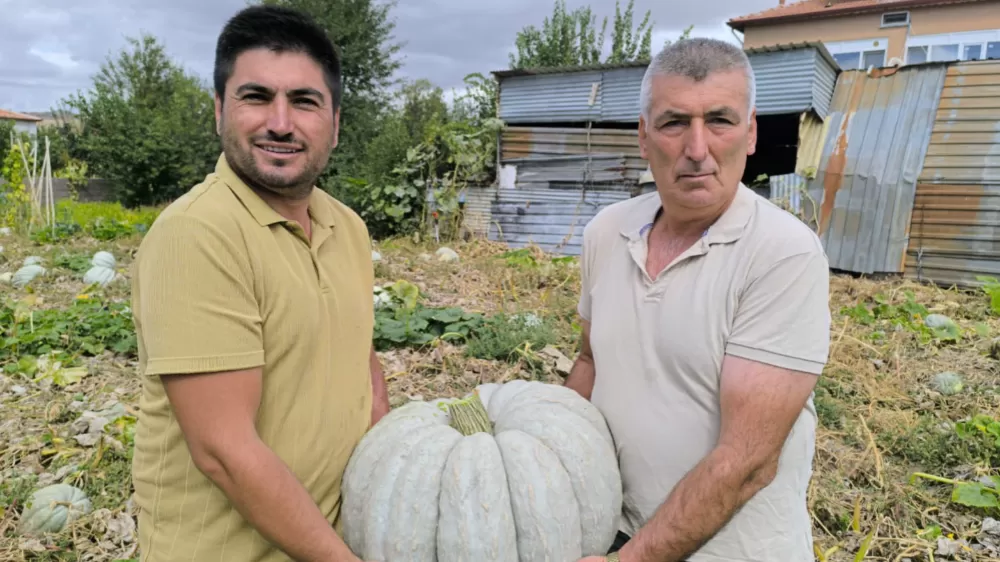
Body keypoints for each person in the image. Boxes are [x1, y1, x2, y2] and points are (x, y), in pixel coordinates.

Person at [129, 6, 388, 562]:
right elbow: (224, 452)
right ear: (219, 110)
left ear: (336, 124)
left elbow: (360, 358)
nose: (281, 122)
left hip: (330, 542)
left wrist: (391, 479)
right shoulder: (198, 233)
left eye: (304, 101)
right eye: (256, 96)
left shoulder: (347, 227)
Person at [567, 38, 831, 562]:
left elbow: (748, 460)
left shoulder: (782, 253)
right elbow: (590, 362)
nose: (696, 148)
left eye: (719, 120)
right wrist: (543, 460)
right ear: (644, 136)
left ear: (750, 133)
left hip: (730, 551)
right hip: (612, 527)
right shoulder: (607, 232)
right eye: (673, 123)